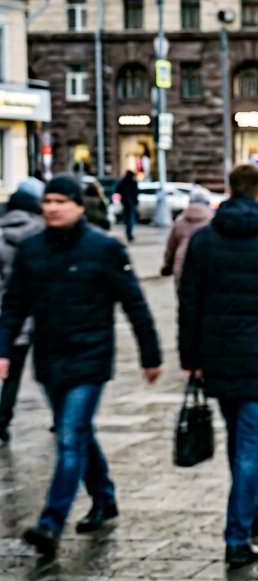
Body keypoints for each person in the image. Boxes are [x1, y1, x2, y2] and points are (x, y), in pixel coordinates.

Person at [0, 175, 162, 557]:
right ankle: (104, 497)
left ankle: (51, 523)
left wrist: (150, 354)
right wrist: (3, 350)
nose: (52, 208)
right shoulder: (31, 249)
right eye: (48, 201)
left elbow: (134, 303)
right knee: (79, 432)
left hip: (90, 358)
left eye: (61, 201)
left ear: (77, 205)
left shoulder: (104, 248)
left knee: (70, 435)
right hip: (49, 359)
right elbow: (14, 306)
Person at [179, 164, 258, 568]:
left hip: (217, 358)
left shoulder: (203, 241)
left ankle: (253, 508)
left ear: (229, 191)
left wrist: (190, 359)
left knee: (240, 440)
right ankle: (236, 536)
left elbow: (189, 304)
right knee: (249, 446)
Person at [0, 178, 46, 445]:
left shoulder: (2, 233)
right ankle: (62, 416)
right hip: (40, 315)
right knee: (50, 371)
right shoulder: (42, 235)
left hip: (9, 316)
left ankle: (2, 420)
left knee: (11, 373)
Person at [161, 190, 214, 288]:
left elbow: (171, 248)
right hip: (206, 269)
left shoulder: (180, 221)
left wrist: (167, 266)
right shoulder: (213, 221)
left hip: (182, 268)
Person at [115, 170, 139, 241]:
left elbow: (117, 191)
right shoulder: (132, 183)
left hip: (126, 203)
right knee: (131, 219)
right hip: (130, 203)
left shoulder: (122, 182)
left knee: (128, 219)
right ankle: (129, 233)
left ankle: (129, 233)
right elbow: (136, 192)